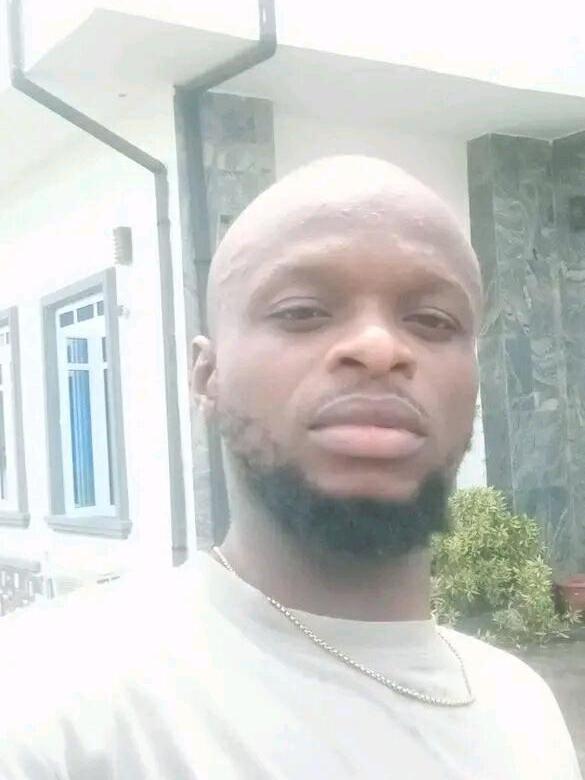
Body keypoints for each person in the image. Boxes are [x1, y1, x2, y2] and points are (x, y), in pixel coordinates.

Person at [0, 156, 581, 779]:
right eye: (302, 311)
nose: (379, 348)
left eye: (433, 321)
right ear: (207, 376)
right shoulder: (53, 698)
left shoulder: (523, 709)